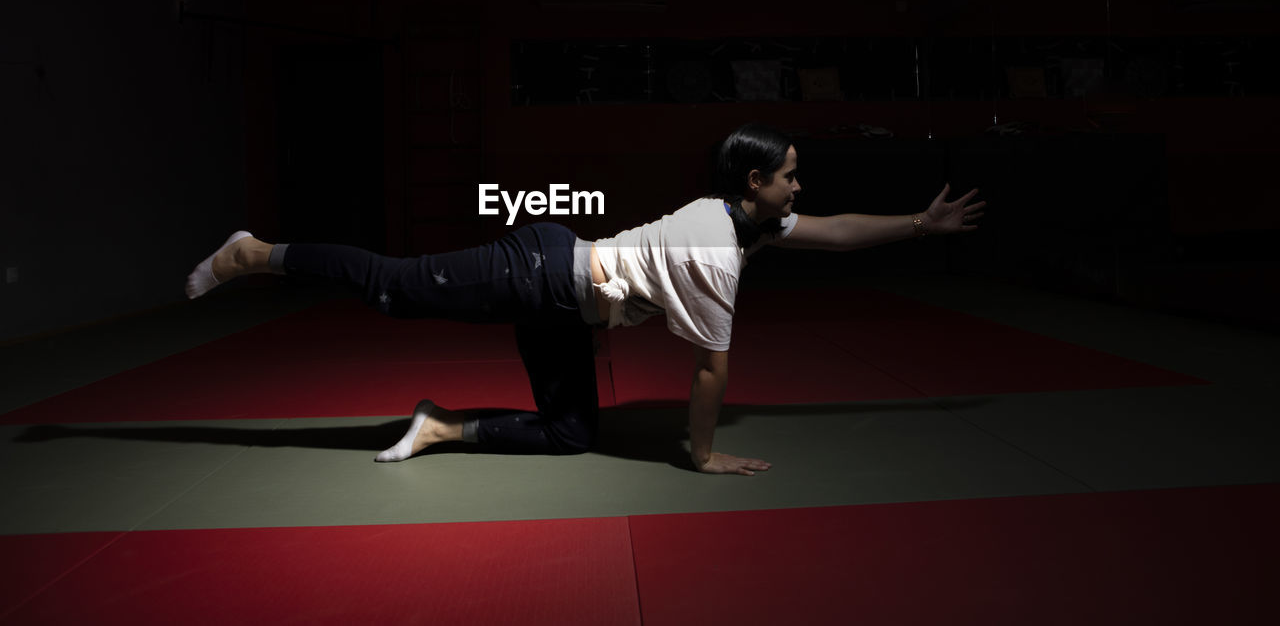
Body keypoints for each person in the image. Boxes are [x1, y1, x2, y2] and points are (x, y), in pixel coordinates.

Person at [186, 123, 985, 475]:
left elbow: (838, 230)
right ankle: (258, 251)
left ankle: (440, 425)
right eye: (791, 175)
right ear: (755, 183)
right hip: (539, 271)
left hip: (565, 305)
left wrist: (920, 221)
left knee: (570, 435)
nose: (800, 187)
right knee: (395, 288)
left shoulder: (749, 226)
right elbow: (711, 371)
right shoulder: (717, 244)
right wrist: (702, 456)